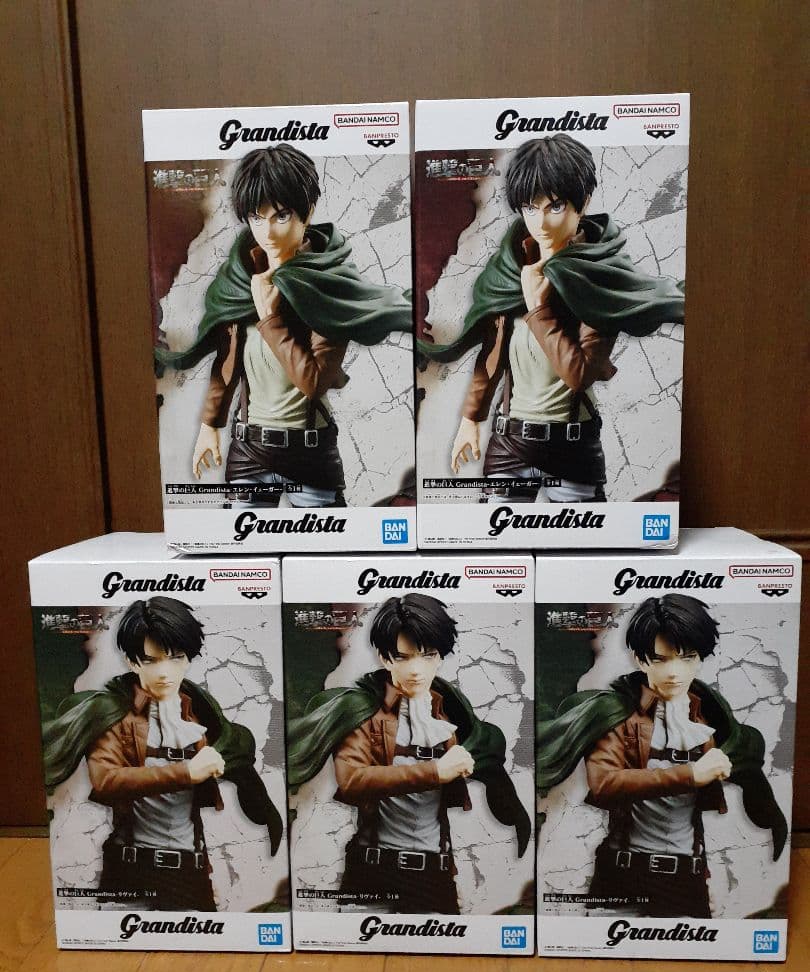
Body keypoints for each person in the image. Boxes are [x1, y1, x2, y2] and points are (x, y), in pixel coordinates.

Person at [419, 133, 685, 503]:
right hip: (510, 443)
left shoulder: (596, 278)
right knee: (495, 536)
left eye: (555, 206)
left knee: (582, 540)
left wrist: (538, 309)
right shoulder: (511, 270)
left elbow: (579, 374)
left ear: (582, 203)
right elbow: (493, 354)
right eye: (530, 208)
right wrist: (470, 420)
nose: (541, 222)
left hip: (572, 449)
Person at [155, 143, 411, 508]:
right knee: (241, 543)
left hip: (309, 455)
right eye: (256, 218)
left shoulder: (326, 285)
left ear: (307, 212)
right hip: (249, 453)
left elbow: (314, 382)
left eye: (282, 216)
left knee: (327, 544)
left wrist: (270, 319)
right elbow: (228, 362)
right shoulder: (242, 281)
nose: (268, 233)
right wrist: (211, 426)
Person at [537, 594, 788, 918]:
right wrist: (691, 775)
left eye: (687, 658)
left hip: (687, 877)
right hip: (624, 873)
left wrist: (765, 816)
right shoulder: (618, 715)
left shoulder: (709, 716)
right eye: (660, 659)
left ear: (700, 659)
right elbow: (604, 783)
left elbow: (740, 762)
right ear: (641, 660)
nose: (674, 672)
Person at [287, 593, 531, 915]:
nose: (416, 670)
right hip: (374, 871)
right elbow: (352, 779)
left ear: (440, 657)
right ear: (385, 658)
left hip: (435, 873)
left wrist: (507, 804)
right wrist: (435, 772)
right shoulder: (363, 711)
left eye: (428, 656)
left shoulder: (450, 713)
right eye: (403, 657)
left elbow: (485, 750)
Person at [43, 597, 283, 911]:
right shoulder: (113, 713)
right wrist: (187, 772)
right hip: (131, 870)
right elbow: (106, 780)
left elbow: (233, 750)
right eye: (151, 660)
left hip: (191, 871)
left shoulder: (199, 713)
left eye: (176, 658)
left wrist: (258, 802)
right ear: (133, 662)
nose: (164, 672)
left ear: (188, 659)